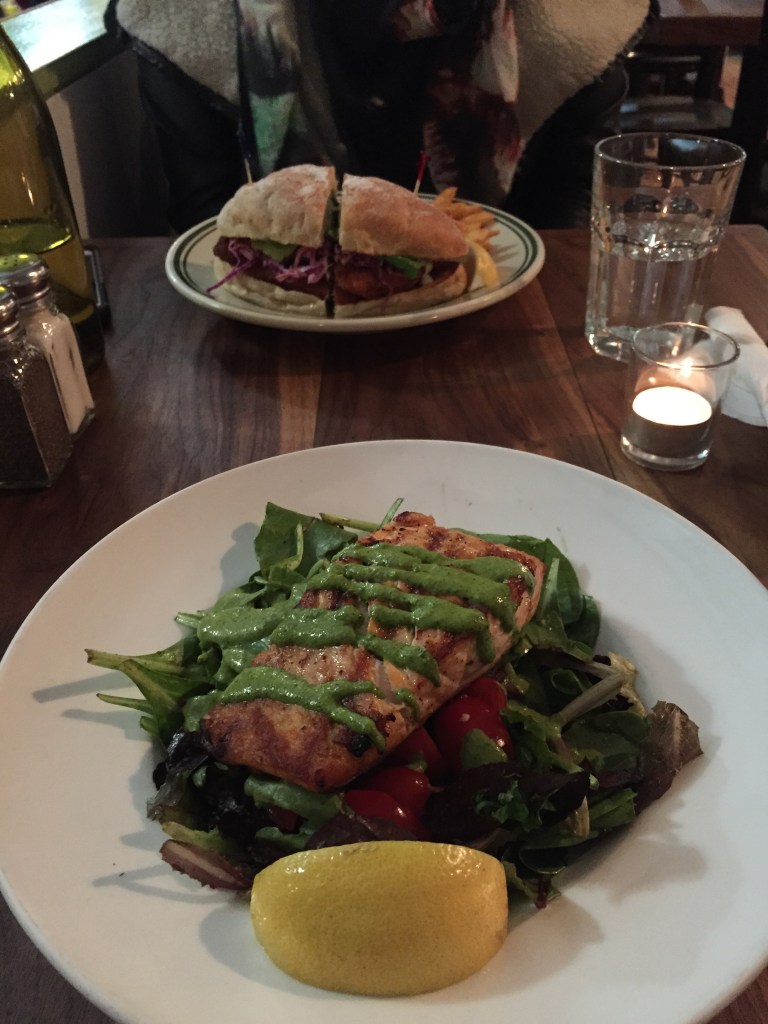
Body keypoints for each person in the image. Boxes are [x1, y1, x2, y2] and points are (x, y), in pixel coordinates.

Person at [105, 0, 658, 234]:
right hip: (281, 339)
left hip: (496, 330)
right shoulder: (182, 13)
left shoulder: (580, 16)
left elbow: (566, 229)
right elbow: (207, 225)